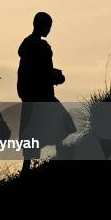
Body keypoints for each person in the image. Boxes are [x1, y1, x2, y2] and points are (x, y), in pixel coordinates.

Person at [17, 12, 68, 177]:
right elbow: (42, 71)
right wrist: (57, 77)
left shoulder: (26, 45)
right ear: (41, 26)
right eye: (48, 26)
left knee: (32, 133)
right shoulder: (41, 47)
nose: (49, 30)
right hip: (42, 95)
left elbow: (32, 72)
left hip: (31, 96)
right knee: (60, 124)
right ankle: (61, 156)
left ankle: (27, 169)